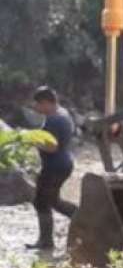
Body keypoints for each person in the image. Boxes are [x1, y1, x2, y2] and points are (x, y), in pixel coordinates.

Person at [25, 86, 77, 251]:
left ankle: (46, 241)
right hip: (63, 163)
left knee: (41, 201)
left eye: (38, 104)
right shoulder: (63, 114)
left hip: (55, 166)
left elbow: (52, 147)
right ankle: (81, 215)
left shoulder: (55, 119)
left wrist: (32, 141)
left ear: (47, 102)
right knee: (53, 200)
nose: (37, 108)